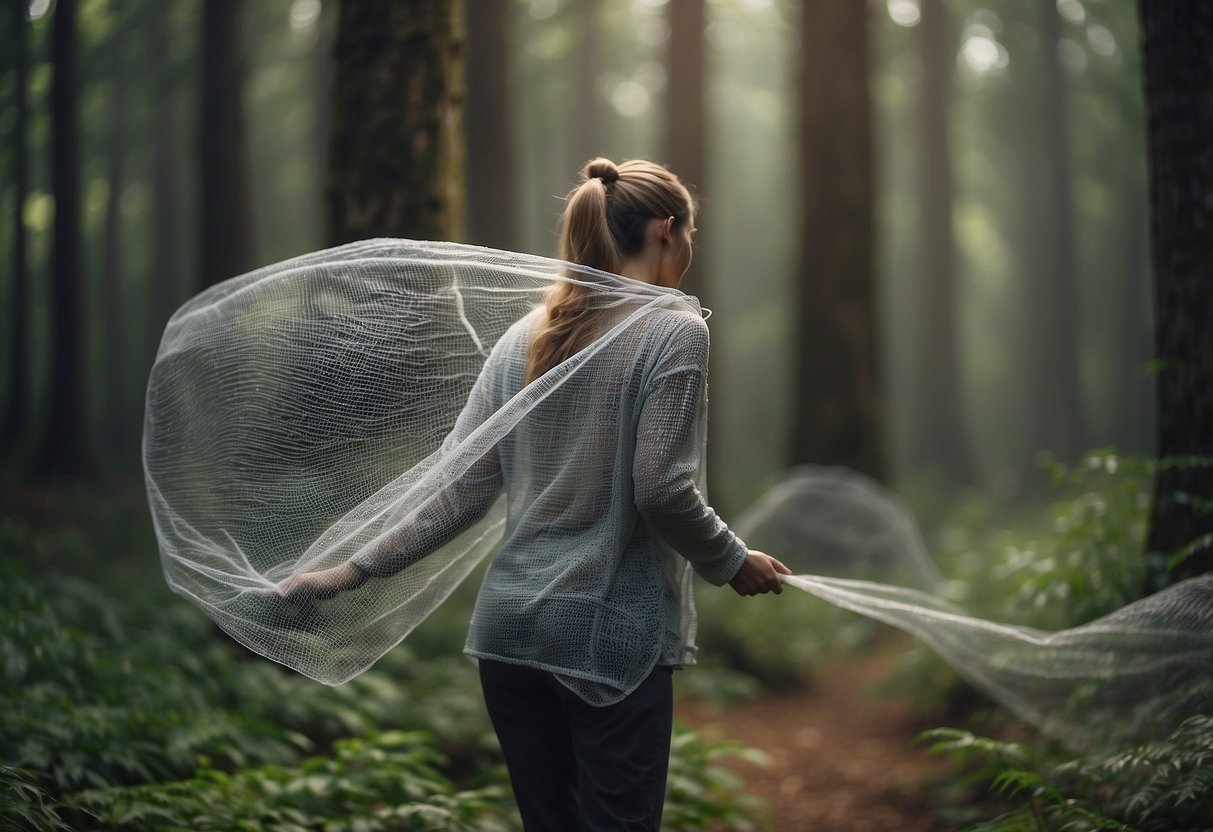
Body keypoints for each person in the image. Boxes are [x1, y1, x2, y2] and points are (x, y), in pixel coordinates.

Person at [286, 157, 790, 831]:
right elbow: (660, 489)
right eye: (691, 233)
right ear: (667, 231)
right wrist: (731, 560)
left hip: (509, 636)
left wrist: (350, 570)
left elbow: (457, 493)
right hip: (605, 639)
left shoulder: (522, 339)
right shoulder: (674, 329)